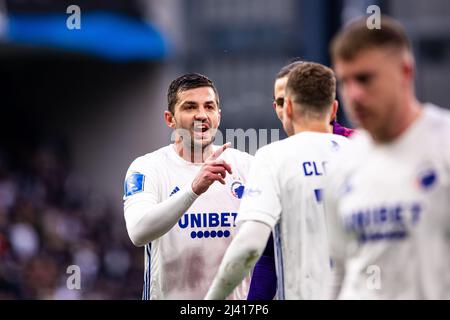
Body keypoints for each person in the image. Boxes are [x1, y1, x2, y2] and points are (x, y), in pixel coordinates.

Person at [325, 16, 450, 299]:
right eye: (345, 82)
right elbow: (340, 271)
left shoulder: (444, 146)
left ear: (405, 72)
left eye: (365, 79)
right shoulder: (342, 163)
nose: (353, 95)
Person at [205, 62, 349, 300]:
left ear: (289, 107)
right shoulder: (361, 152)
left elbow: (250, 245)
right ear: (333, 109)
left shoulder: (272, 157)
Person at [123, 73, 253, 300]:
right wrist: (193, 189)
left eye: (209, 107)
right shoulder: (147, 168)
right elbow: (138, 232)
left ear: (218, 116)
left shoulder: (247, 167)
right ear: (170, 119)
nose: (201, 115)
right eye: (190, 107)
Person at [247, 60, 355, 300]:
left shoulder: (359, 148)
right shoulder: (274, 159)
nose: (288, 108)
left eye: (290, 100)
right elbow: (267, 257)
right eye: (280, 102)